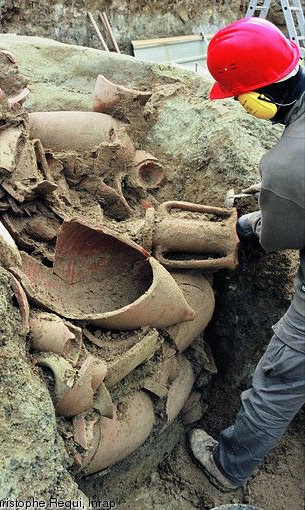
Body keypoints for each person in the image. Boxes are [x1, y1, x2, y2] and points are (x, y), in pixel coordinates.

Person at [189, 17, 305, 492]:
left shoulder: (288, 165)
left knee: (280, 380)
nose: (240, 106)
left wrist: (252, 221)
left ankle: (227, 466)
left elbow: (279, 238)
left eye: (239, 96)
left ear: (262, 94)